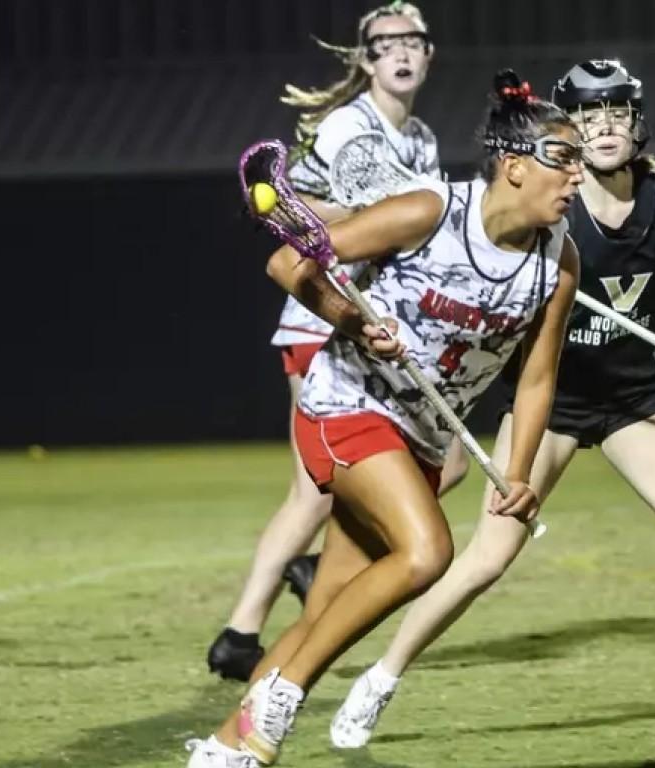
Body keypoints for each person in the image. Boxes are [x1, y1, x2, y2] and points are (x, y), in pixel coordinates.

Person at [329, 59, 655, 751]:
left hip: (633, 399)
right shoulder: (549, 212)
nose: (603, 130)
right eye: (588, 119)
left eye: (616, 114)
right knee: (486, 560)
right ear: (566, 133)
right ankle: (380, 678)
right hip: (552, 403)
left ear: (637, 121)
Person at [186, 69, 584, 767]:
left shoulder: (559, 263)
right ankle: (285, 696)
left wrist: (515, 475)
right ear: (514, 167)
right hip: (348, 401)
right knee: (427, 552)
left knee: (328, 606)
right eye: (564, 159)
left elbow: (537, 378)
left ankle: (226, 751)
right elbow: (290, 263)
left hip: (422, 438)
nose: (578, 176)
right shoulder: (430, 211)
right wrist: (351, 319)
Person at [207, 0, 474, 684]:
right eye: (386, 44)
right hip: (322, 321)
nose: (402, 53)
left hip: (379, 323)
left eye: (413, 41)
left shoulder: (419, 138)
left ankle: (314, 575)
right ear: (365, 59)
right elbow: (368, 221)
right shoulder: (353, 129)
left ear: (429, 53)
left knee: (439, 466)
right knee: (316, 492)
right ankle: (243, 631)